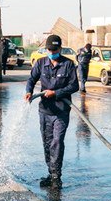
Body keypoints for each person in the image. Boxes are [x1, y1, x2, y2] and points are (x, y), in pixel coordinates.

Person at [25, 34, 79, 189]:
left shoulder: (68, 64)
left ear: (60, 49)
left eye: (54, 50)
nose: (52, 52)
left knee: (57, 141)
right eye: (49, 49)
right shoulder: (41, 63)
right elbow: (31, 79)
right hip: (45, 111)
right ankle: (51, 172)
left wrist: (56, 93)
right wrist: (29, 91)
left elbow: (74, 85)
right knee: (47, 142)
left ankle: (56, 176)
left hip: (61, 111)